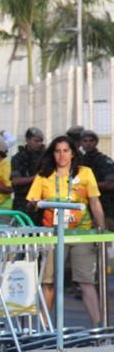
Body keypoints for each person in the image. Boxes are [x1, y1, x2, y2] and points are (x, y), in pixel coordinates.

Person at [27, 135, 106, 326]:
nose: (61, 155)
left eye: (65, 151)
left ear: (73, 153)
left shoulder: (85, 172)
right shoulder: (44, 175)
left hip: (81, 234)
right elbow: (32, 202)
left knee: (86, 280)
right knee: (48, 282)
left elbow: (94, 202)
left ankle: (98, 328)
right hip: (52, 235)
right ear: (52, 153)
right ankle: (44, 327)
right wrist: (37, 204)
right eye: (57, 151)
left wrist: (101, 229)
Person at [79, 129, 114, 231]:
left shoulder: (103, 160)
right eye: (85, 141)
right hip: (85, 211)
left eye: (91, 141)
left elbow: (111, 184)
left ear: (96, 142)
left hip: (105, 208)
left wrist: (89, 186)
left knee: (104, 240)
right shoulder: (80, 160)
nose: (88, 144)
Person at [11, 127, 46, 224]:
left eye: (40, 141)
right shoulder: (18, 158)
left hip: (42, 202)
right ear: (27, 140)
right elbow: (15, 181)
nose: (39, 144)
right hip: (22, 201)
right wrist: (35, 178)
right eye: (36, 141)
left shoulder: (46, 157)